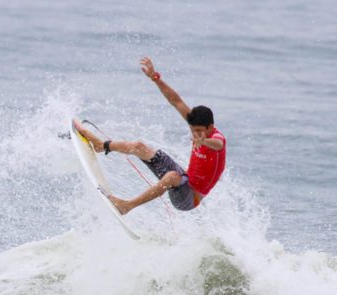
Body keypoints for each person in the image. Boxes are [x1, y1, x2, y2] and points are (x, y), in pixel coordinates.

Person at [74, 56, 226, 215]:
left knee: (172, 176)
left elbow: (217, 144)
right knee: (139, 147)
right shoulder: (196, 126)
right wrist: (155, 77)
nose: (195, 133)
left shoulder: (217, 138)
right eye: (193, 130)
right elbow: (175, 100)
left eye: (200, 131)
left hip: (190, 198)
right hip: (184, 178)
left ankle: (127, 206)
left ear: (211, 127)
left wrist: (205, 141)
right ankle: (101, 146)